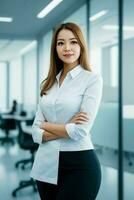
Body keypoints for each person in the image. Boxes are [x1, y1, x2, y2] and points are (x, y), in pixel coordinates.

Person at [30, 22, 103, 200]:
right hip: (45, 165)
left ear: (81, 46)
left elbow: (80, 130)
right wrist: (65, 126)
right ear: (55, 48)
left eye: (73, 42)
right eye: (61, 43)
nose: (67, 48)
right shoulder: (48, 83)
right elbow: (35, 132)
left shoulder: (92, 80)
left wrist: (47, 126)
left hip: (80, 165)